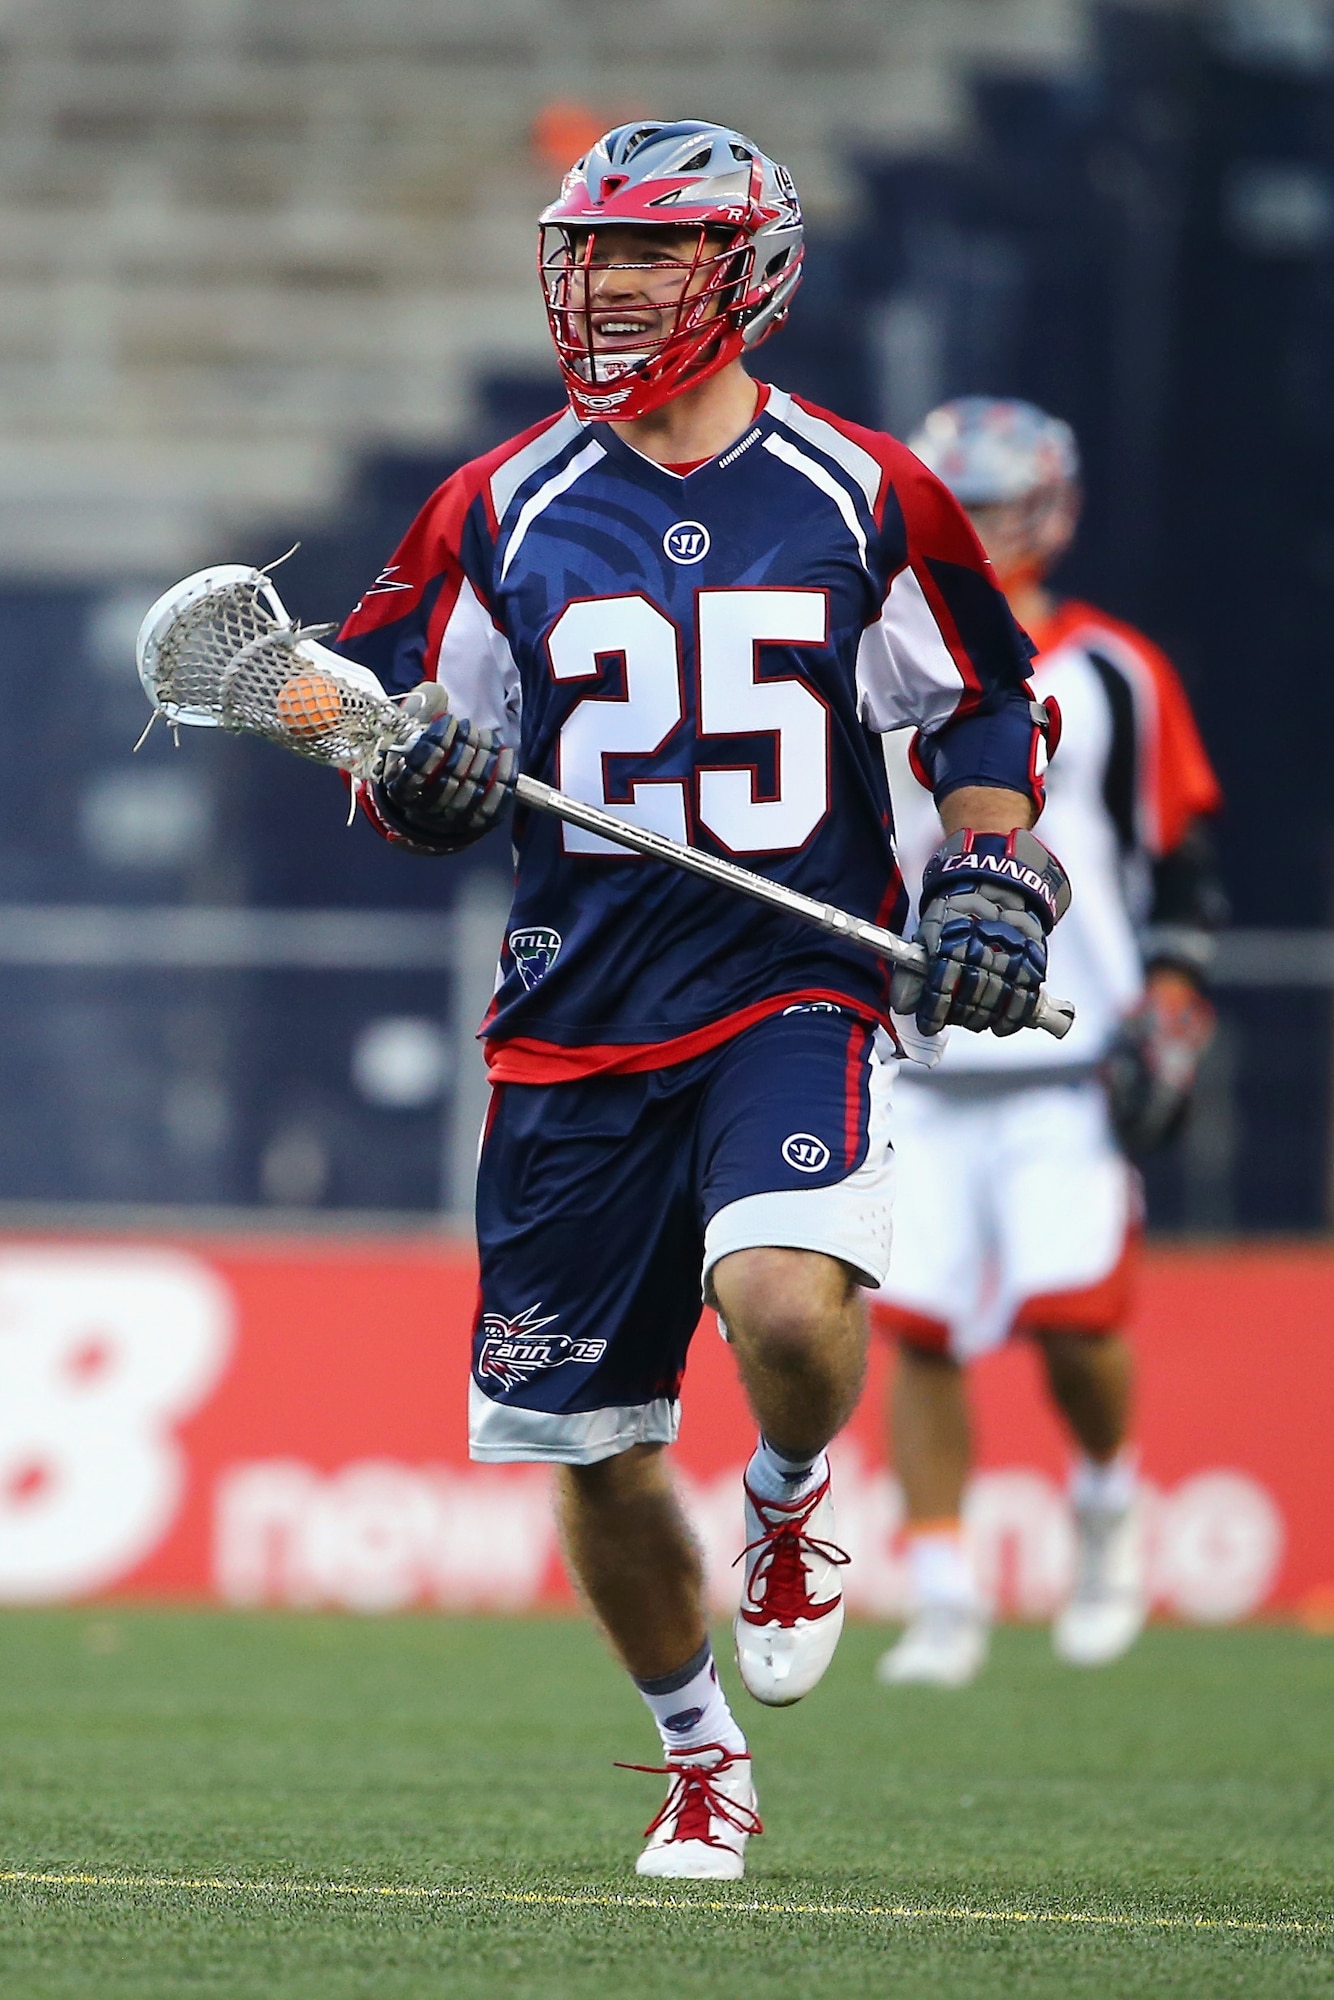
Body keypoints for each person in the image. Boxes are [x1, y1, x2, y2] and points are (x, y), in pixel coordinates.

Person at [332, 127, 1069, 1878]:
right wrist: (407, 777)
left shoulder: (863, 491)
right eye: (586, 252)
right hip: (572, 1014)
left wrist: (986, 872)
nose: (599, 286)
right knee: (590, 1449)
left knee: (789, 1308)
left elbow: (980, 703)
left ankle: (792, 1497)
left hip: (786, 979)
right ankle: (696, 1750)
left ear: (742, 273)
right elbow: (388, 728)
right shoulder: (497, 503)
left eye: (643, 255)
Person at [871, 398, 1224, 1690]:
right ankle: (944, 1593)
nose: (979, 524)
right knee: (913, 1327)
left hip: (1069, 1043)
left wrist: (1178, 994)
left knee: (1072, 1321)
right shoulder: (867, 644)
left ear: (1053, 507)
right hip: (914, 1044)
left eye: (998, 498)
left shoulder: (1111, 671)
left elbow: (1175, 856)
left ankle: (1102, 1506)